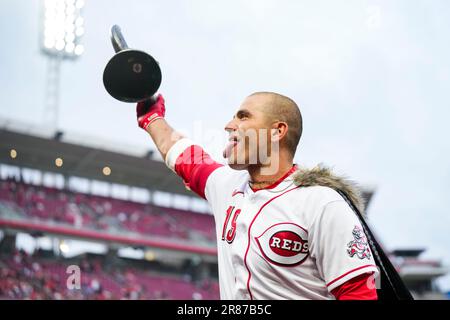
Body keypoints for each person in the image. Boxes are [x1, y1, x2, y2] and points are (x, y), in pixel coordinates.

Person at [135, 92, 378, 300]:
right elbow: (182, 155)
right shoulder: (227, 185)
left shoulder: (322, 203)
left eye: (243, 116)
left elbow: (357, 293)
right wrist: (152, 118)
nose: (229, 125)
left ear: (277, 131)